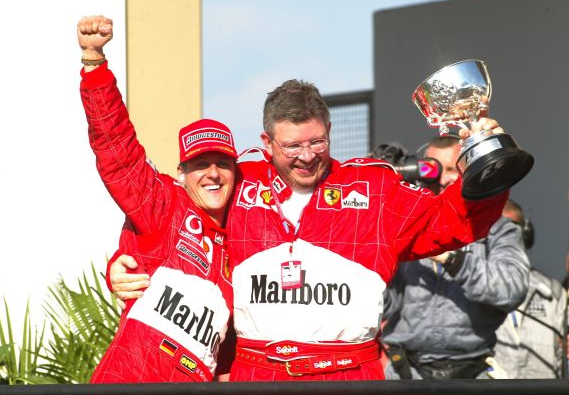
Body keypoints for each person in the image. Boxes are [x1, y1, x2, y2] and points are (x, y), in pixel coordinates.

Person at [108, 80, 510, 380]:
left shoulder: (374, 189)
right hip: (259, 376)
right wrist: (125, 259)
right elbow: (164, 209)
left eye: (317, 143)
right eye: (291, 147)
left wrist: (490, 165)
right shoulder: (238, 182)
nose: (305, 157)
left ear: (330, 132)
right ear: (266, 143)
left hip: (349, 375)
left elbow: (453, 221)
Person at [78, 15, 236, 383]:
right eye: (200, 165)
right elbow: (117, 150)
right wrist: (94, 62)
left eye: (222, 164)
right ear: (181, 173)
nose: (212, 174)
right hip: (130, 379)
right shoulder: (163, 205)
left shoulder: (244, 237)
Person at [380, 135, 530, 380]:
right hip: (406, 371)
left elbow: (512, 289)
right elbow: (384, 306)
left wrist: (453, 258)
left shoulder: (499, 228)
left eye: (454, 169)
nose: (443, 178)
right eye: (433, 168)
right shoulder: (405, 226)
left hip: (472, 373)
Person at [490, 199, 567, 379]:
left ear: (527, 235)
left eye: (513, 231)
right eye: (499, 232)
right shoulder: (471, 289)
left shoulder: (553, 292)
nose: (507, 240)